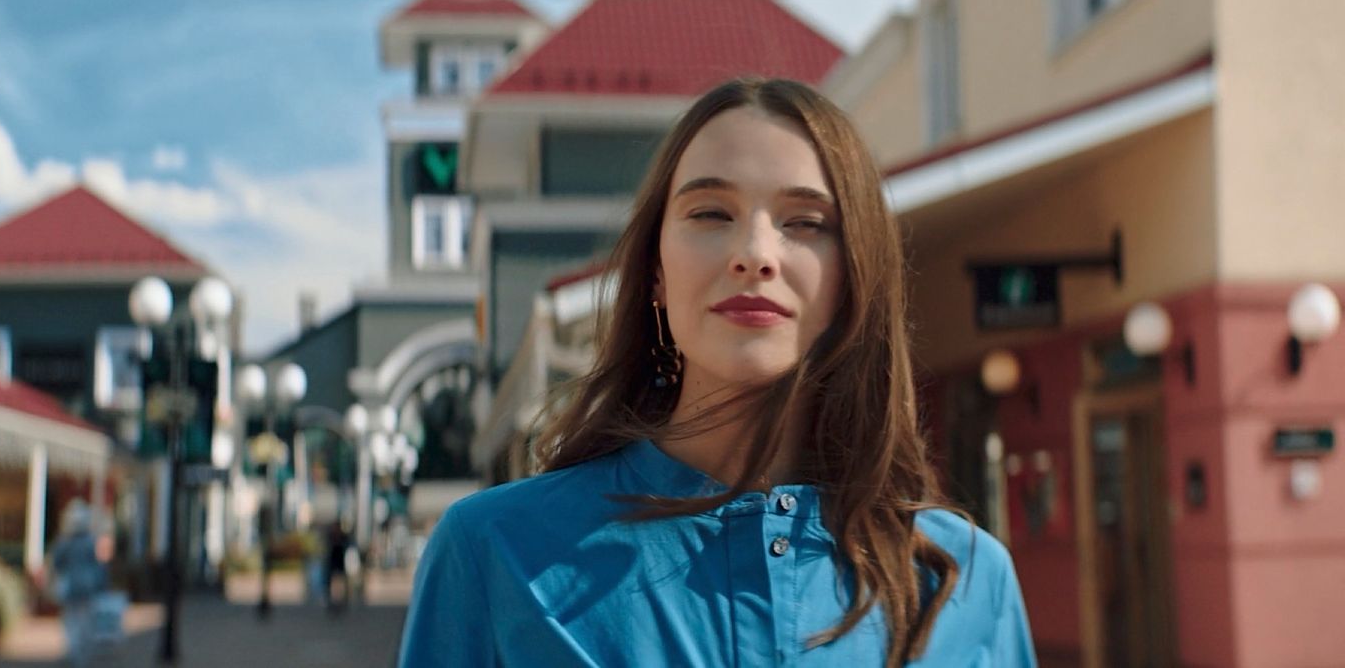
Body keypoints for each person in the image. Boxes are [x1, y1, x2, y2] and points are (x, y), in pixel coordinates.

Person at [398, 78, 1036, 667]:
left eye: (806, 222)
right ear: (654, 269)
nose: (755, 254)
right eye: (710, 213)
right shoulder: (492, 552)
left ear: (854, 279)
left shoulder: (968, 580)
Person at [48, 501, 108, 667]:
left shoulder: (65, 542)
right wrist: (101, 585)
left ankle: (76, 653)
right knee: (84, 623)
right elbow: (98, 566)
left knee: (73, 623)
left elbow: (57, 563)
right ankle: (80, 655)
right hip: (87, 587)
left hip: (72, 588)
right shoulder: (90, 541)